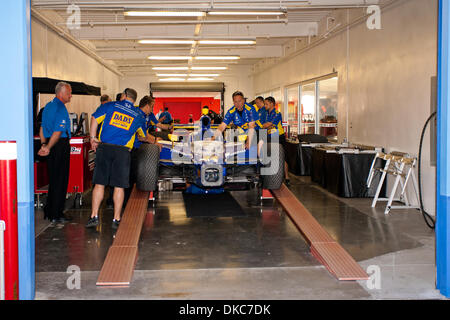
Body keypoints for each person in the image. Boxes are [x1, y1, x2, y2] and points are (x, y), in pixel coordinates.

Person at [86, 88, 147, 229]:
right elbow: (142, 135)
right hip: (123, 152)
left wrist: (93, 138)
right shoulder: (138, 115)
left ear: (124, 96)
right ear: (134, 100)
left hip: (105, 148)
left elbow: (94, 118)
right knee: (119, 186)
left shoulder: (110, 105)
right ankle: (116, 219)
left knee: (100, 184)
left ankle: (94, 216)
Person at [38, 82, 73, 224]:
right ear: (61, 93)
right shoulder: (60, 108)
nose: (70, 96)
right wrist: (48, 147)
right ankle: (57, 214)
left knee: (53, 180)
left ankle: (49, 210)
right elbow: (58, 132)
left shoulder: (48, 106)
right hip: (59, 145)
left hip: (50, 144)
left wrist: (44, 144)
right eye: (69, 93)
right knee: (60, 180)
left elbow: (42, 128)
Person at [260, 96, 290, 186]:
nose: (265, 105)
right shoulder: (266, 113)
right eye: (264, 104)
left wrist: (265, 125)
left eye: (266, 104)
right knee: (269, 156)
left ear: (272, 104)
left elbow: (268, 124)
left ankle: (287, 177)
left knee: (281, 157)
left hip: (278, 136)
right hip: (270, 136)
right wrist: (265, 125)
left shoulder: (277, 113)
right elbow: (264, 124)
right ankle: (271, 175)